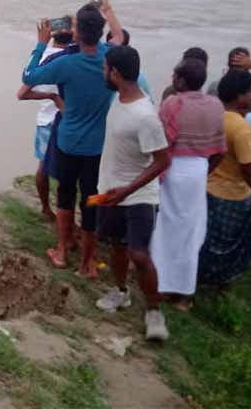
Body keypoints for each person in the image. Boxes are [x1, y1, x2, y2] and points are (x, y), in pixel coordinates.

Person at [22, 0, 126, 278]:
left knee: (66, 195)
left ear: (76, 31)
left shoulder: (66, 63)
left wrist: (41, 42)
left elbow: (29, 76)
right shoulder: (111, 57)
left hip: (68, 140)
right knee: (90, 199)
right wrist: (107, 7)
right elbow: (118, 35)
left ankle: (62, 252)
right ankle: (88, 264)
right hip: (96, 145)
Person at [94, 46, 171, 341]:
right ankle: (121, 291)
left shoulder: (145, 116)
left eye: (105, 68)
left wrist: (127, 189)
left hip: (139, 195)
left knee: (139, 254)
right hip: (110, 191)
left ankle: (154, 312)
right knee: (116, 245)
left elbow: (164, 161)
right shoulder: (118, 98)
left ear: (114, 73)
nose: (103, 72)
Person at [151, 58, 226, 311]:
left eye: (175, 75)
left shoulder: (173, 104)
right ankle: (184, 295)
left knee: (165, 230)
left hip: (173, 171)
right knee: (191, 232)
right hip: (199, 170)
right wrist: (204, 171)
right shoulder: (216, 105)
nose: (172, 79)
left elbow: (162, 145)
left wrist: (156, 178)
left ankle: (161, 286)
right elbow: (220, 149)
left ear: (181, 80)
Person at [198, 69, 251, 287]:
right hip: (231, 196)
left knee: (205, 239)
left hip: (207, 189)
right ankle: (215, 282)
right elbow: (250, 169)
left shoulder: (213, 117)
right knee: (224, 246)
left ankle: (198, 278)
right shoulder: (243, 129)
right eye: (249, 93)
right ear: (239, 96)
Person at [17, 26, 71, 221]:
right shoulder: (74, 56)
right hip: (68, 121)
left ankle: (46, 208)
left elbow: (21, 93)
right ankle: (67, 218)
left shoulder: (42, 58)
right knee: (69, 173)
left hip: (46, 120)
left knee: (43, 167)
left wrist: (50, 95)